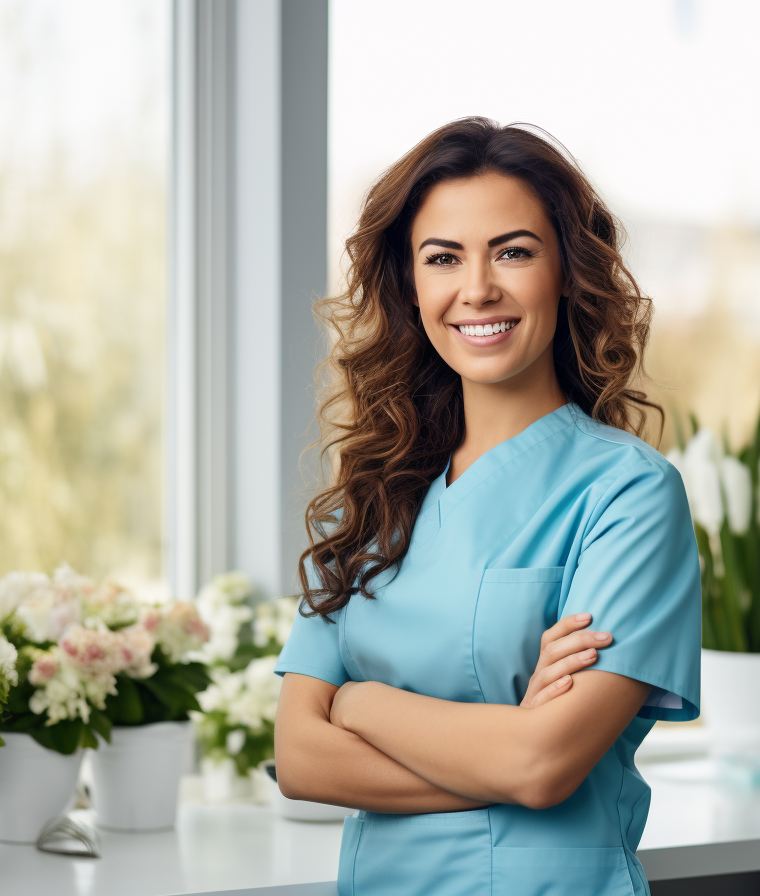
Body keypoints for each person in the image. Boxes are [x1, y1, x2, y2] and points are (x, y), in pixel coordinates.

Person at [273, 117, 701, 896]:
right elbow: (300, 760)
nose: (478, 289)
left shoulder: (629, 496)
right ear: (411, 284)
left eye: (513, 251)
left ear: (567, 271)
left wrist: (361, 702)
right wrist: (506, 750)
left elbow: (544, 765)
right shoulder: (370, 497)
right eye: (444, 258)